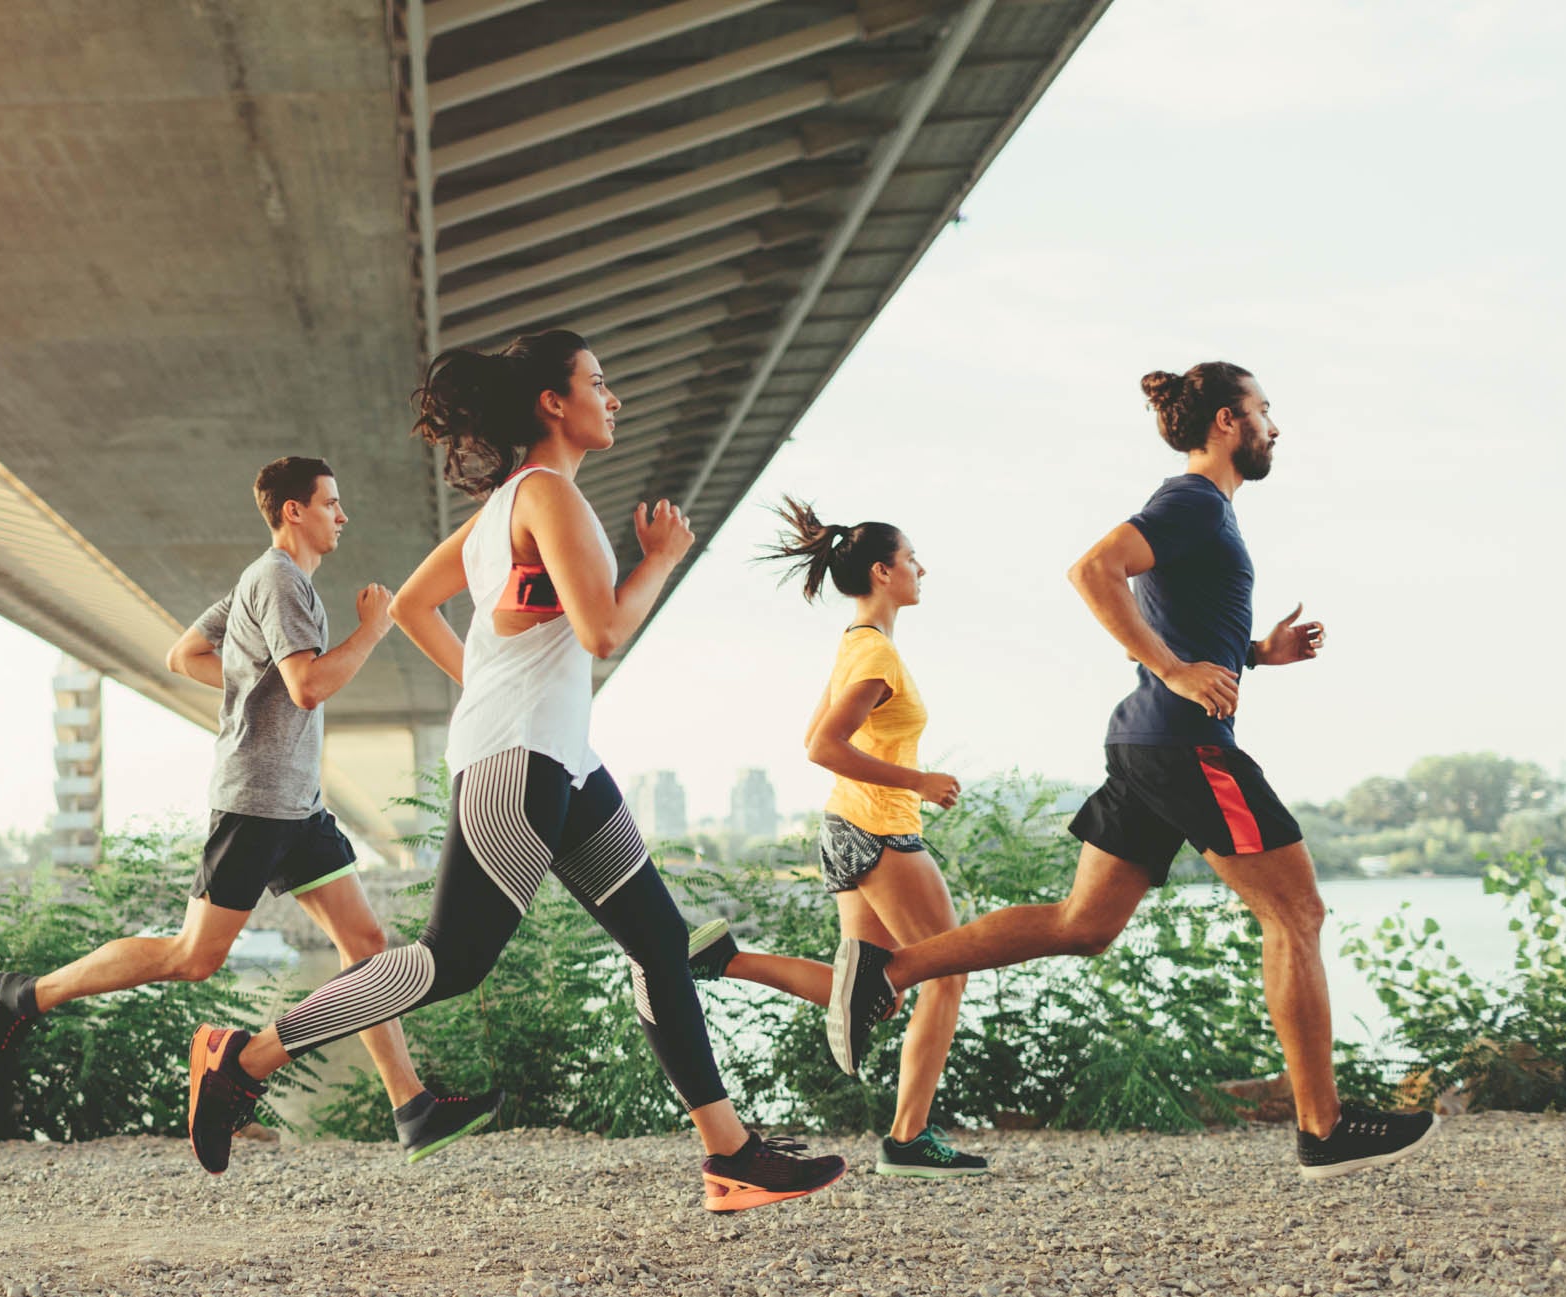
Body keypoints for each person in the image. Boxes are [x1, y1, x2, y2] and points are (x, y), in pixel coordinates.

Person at [181, 330, 847, 1211]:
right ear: (552, 403)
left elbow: (417, 607)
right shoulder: (545, 497)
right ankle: (245, 1057)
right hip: (518, 758)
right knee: (450, 959)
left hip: (563, 758)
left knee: (659, 943)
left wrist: (487, 676)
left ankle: (730, 1156)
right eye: (599, 384)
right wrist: (658, 562)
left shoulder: (505, 509)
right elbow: (604, 632)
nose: (615, 400)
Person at [824, 362, 1438, 1178]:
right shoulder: (1189, 502)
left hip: (1147, 743)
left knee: (1084, 925)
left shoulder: (1202, 514)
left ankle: (890, 970)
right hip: (1187, 745)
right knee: (1298, 914)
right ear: (1227, 422)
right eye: (1263, 410)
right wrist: (1179, 672)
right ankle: (1322, 1130)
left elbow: (1182, 625)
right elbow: (1091, 571)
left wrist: (1254, 655)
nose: (1274, 426)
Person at [0, 456, 502, 1161]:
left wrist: (246, 688)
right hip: (257, 806)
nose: (343, 515)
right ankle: (24, 995)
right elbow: (310, 686)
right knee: (194, 957)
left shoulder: (267, 581)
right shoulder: (281, 580)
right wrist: (374, 629)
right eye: (331, 503)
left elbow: (184, 653)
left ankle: (412, 1106)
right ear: (294, 511)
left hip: (301, 809)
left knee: (367, 947)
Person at [683, 498, 985, 1178]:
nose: (921, 570)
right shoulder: (874, 653)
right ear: (883, 572)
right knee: (947, 973)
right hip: (881, 833)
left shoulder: (856, 644)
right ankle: (909, 1140)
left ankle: (725, 961)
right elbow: (822, 745)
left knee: (876, 989)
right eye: (912, 560)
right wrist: (919, 780)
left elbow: (811, 738)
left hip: (850, 831)